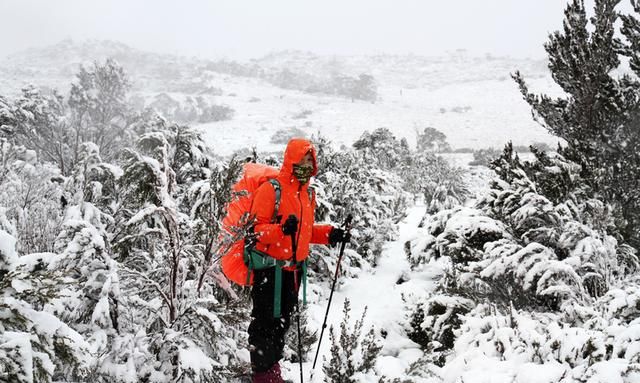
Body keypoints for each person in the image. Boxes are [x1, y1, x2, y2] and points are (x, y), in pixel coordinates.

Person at [247, 138, 348, 383]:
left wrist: (331, 233)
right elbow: (255, 231)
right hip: (270, 273)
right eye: (302, 160)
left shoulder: (307, 194)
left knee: (280, 326)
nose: (306, 165)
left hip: (293, 273)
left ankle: (273, 374)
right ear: (291, 160)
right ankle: (263, 378)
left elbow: (305, 231)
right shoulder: (271, 190)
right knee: (264, 327)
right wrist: (281, 229)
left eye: (309, 161)